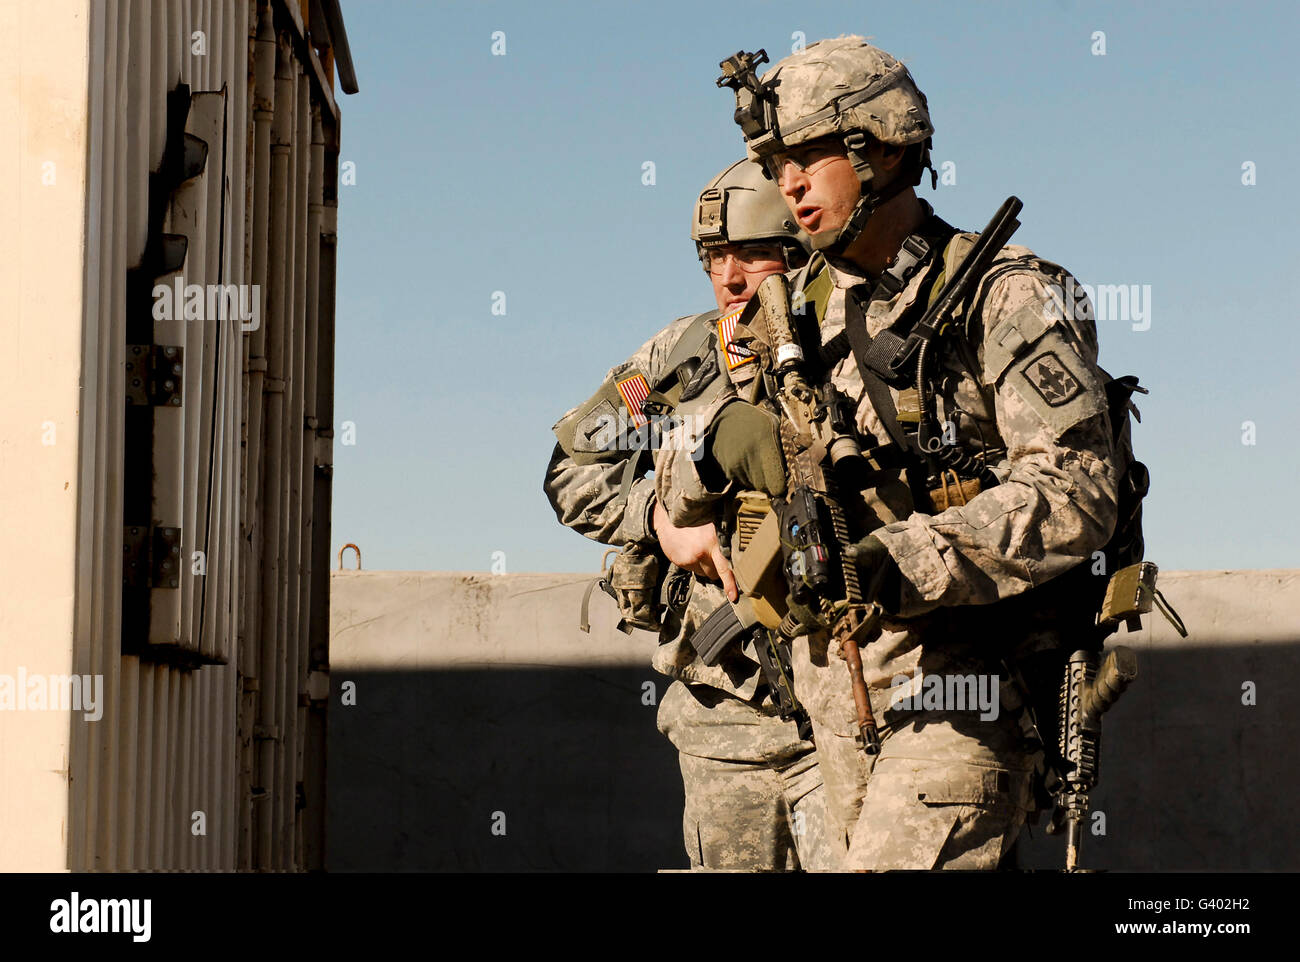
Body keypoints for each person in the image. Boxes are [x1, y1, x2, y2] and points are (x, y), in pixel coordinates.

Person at [653, 36, 1123, 870]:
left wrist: (898, 560)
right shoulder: (791, 311)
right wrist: (711, 447)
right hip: (834, 702)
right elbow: (677, 467)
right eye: (778, 162)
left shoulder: (1003, 293)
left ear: (881, 147)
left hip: (965, 686)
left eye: (810, 155)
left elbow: (1078, 487)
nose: (788, 183)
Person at [543, 159, 841, 870]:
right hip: (724, 721)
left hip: (843, 705)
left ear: (801, 257)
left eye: (753, 255)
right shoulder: (677, 357)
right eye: (715, 256)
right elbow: (569, 470)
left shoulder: (851, 345)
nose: (731, 276)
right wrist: (659, 521)